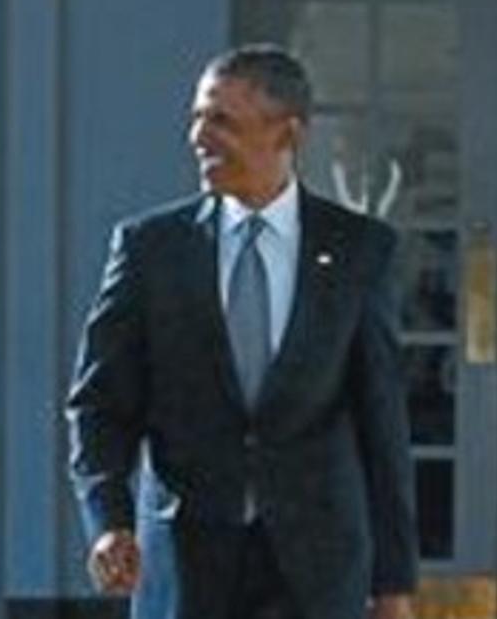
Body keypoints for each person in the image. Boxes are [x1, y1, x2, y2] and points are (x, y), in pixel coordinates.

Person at [65, 44, 419, 619]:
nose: (199, 137)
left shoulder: (359, 250)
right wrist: (109, 521)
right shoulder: (151, 248)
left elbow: (382, 426)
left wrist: (394, 586)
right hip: (184, 565)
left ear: (287, 133)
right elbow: (100, 403)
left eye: (221, 121)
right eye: (198, 117)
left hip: (318, 567)